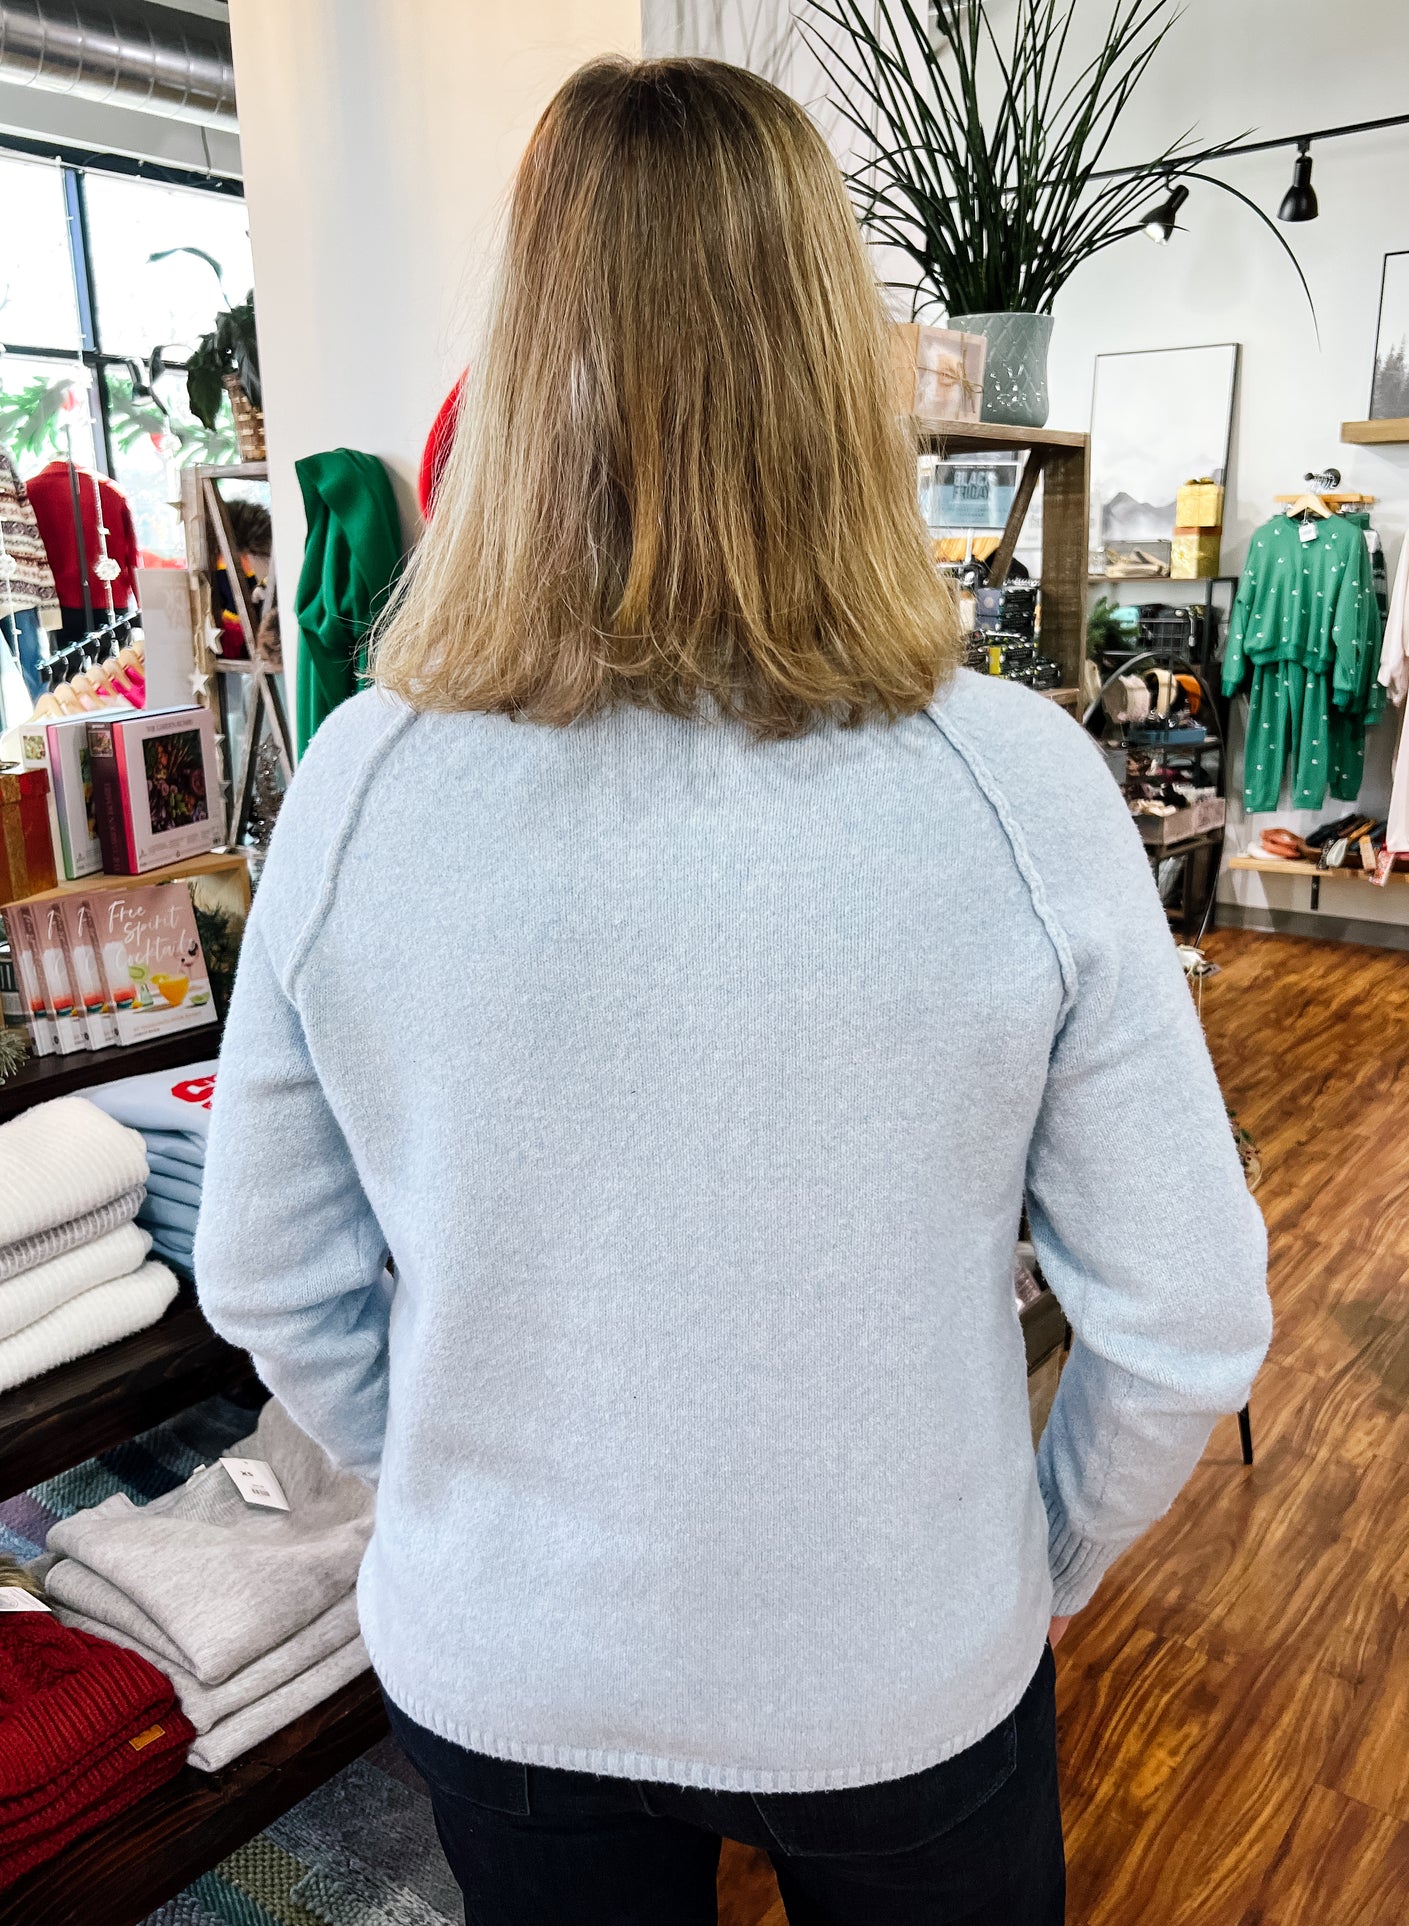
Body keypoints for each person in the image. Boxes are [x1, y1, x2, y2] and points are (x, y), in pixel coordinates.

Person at [195, 54, 1270, 1926]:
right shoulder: (1009, 785)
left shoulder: (366, 778)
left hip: (504, 1658)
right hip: (897, 1662)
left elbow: (269, 1274)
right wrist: (1035, 1557)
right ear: (835, 368)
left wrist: (466, 1488)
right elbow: (1181, 1311)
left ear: (523, 366)